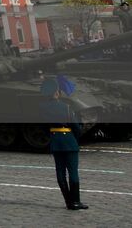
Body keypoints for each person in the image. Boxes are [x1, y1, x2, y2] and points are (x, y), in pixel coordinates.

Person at [42, 76, 89, 211]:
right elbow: (76, 127)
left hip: (55, 142)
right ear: (57, 92)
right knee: (73, 172)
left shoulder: (42, 108)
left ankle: (68, 202)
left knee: (60, 172)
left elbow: (44, 127)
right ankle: (76, 202)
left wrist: (53, 136)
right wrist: (75, 137)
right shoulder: (66, 107)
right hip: (69, 141)